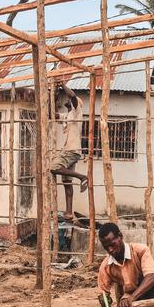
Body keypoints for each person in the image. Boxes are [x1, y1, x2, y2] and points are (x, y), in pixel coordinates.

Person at [50, 81, 89, 220]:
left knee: (54, 167)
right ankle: (68, 212)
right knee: (67, 182)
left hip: (72, 150)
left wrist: (62, 86)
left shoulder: (77, 112)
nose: (67, 101)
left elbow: (72, 96)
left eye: (70, 102)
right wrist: (54, 96)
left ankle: (82, 177)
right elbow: (52, 115)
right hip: (68, 150)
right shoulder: (67, 116)